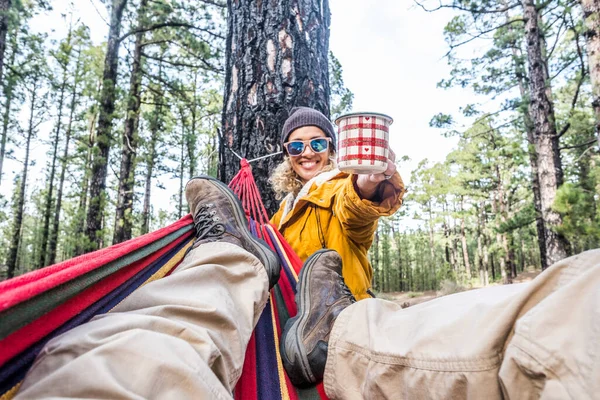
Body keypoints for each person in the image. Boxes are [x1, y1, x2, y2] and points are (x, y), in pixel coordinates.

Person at [15, 176, 600, 399]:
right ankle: (271, 284)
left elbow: (357, 215)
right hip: (281, 311)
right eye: (298, 146)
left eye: (321, 144)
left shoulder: (337, 189)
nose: (310, 154)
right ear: (285, 158)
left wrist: (366, 189)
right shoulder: (279, 208)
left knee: (152, 344)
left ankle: (232, 260)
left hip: (314, 296)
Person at [269, 107, 405, 300]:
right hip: (297, 322)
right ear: (287, 154)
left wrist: (367, 183)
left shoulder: (341, 188)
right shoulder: (283, 212)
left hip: (346, 316)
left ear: (331, 149)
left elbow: (354, 208)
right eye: (296, 147)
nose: (307, 153)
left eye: (317, 144)